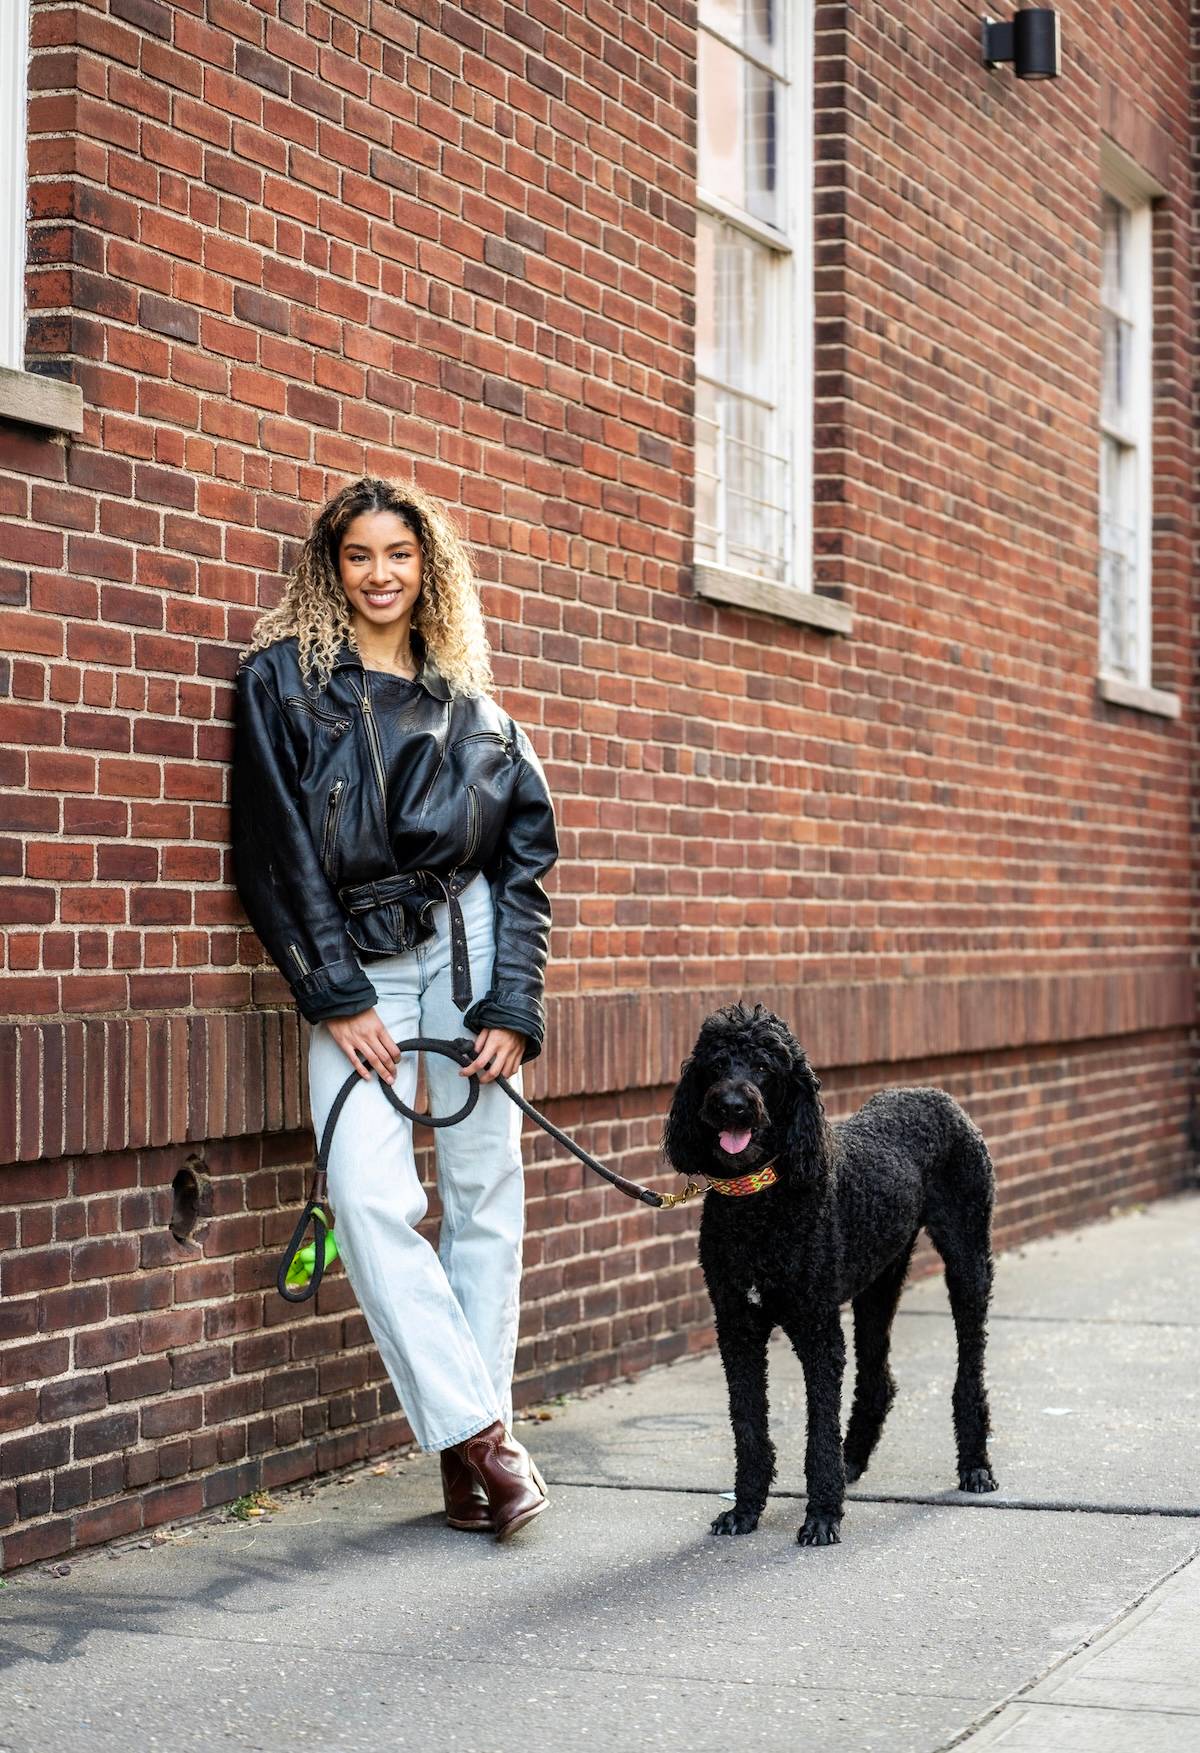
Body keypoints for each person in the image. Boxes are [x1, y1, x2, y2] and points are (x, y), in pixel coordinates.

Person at [230, 475, 559, 1542]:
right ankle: (486, 1438)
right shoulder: (281, 685)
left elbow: (523, 866)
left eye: (400, 555)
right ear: (333, 567)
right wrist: (333, 992)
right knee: (371, 1200)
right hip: (359, 972)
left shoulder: (478, 707)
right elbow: (273, 854)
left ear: (431, 569)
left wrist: (513, 1003)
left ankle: (472, 1474)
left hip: (466, 956)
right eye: (360, 555)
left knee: (484, 1196)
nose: (380, 574)